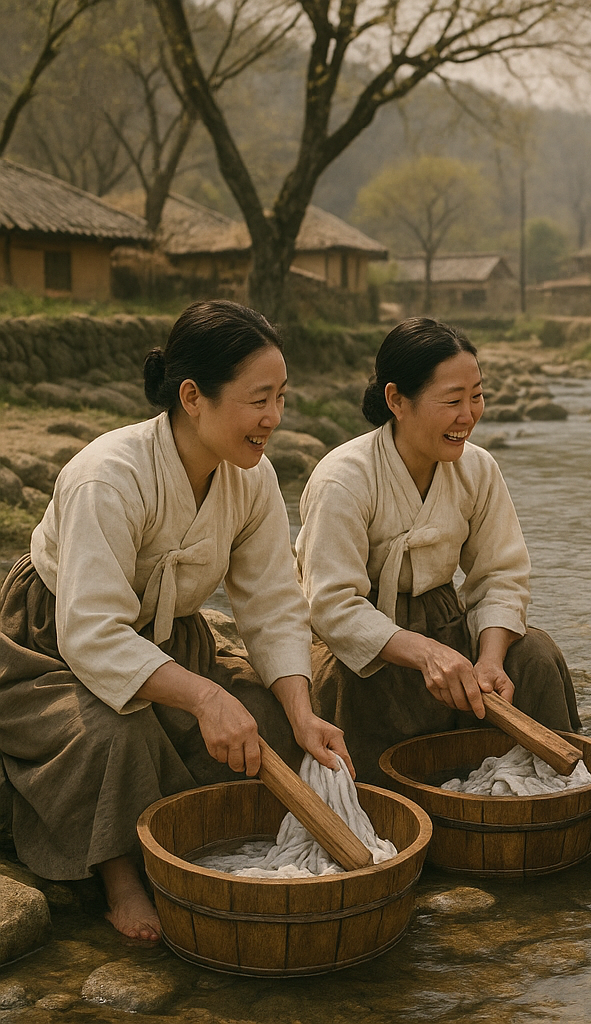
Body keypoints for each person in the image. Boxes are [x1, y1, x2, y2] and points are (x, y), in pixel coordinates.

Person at [0, 300, 349, 941]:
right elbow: (93, 633)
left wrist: (300, 710)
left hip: (171, 642)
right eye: (259, 400)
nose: (274, 418)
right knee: (115, 732)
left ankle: (213, 841)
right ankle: (118, 874)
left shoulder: (254, 477)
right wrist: (204, 696)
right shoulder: (107, 477)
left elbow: (272, 605)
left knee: (270, 722)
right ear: (193, 396)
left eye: (281, 398)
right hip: (53, 641)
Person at [296, 318, 578, 785]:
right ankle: (388, 808)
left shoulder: (478, 469)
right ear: (396, 401)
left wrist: (488, 660)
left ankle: (550, 795)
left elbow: (500, 576)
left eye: (477, 396)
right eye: (452, 400)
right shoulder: (342, 479)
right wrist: (425, 654)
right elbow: (331, 605)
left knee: (536, 657)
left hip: (448, 621)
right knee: (367, 689)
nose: (468, 414)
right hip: (366, 641)